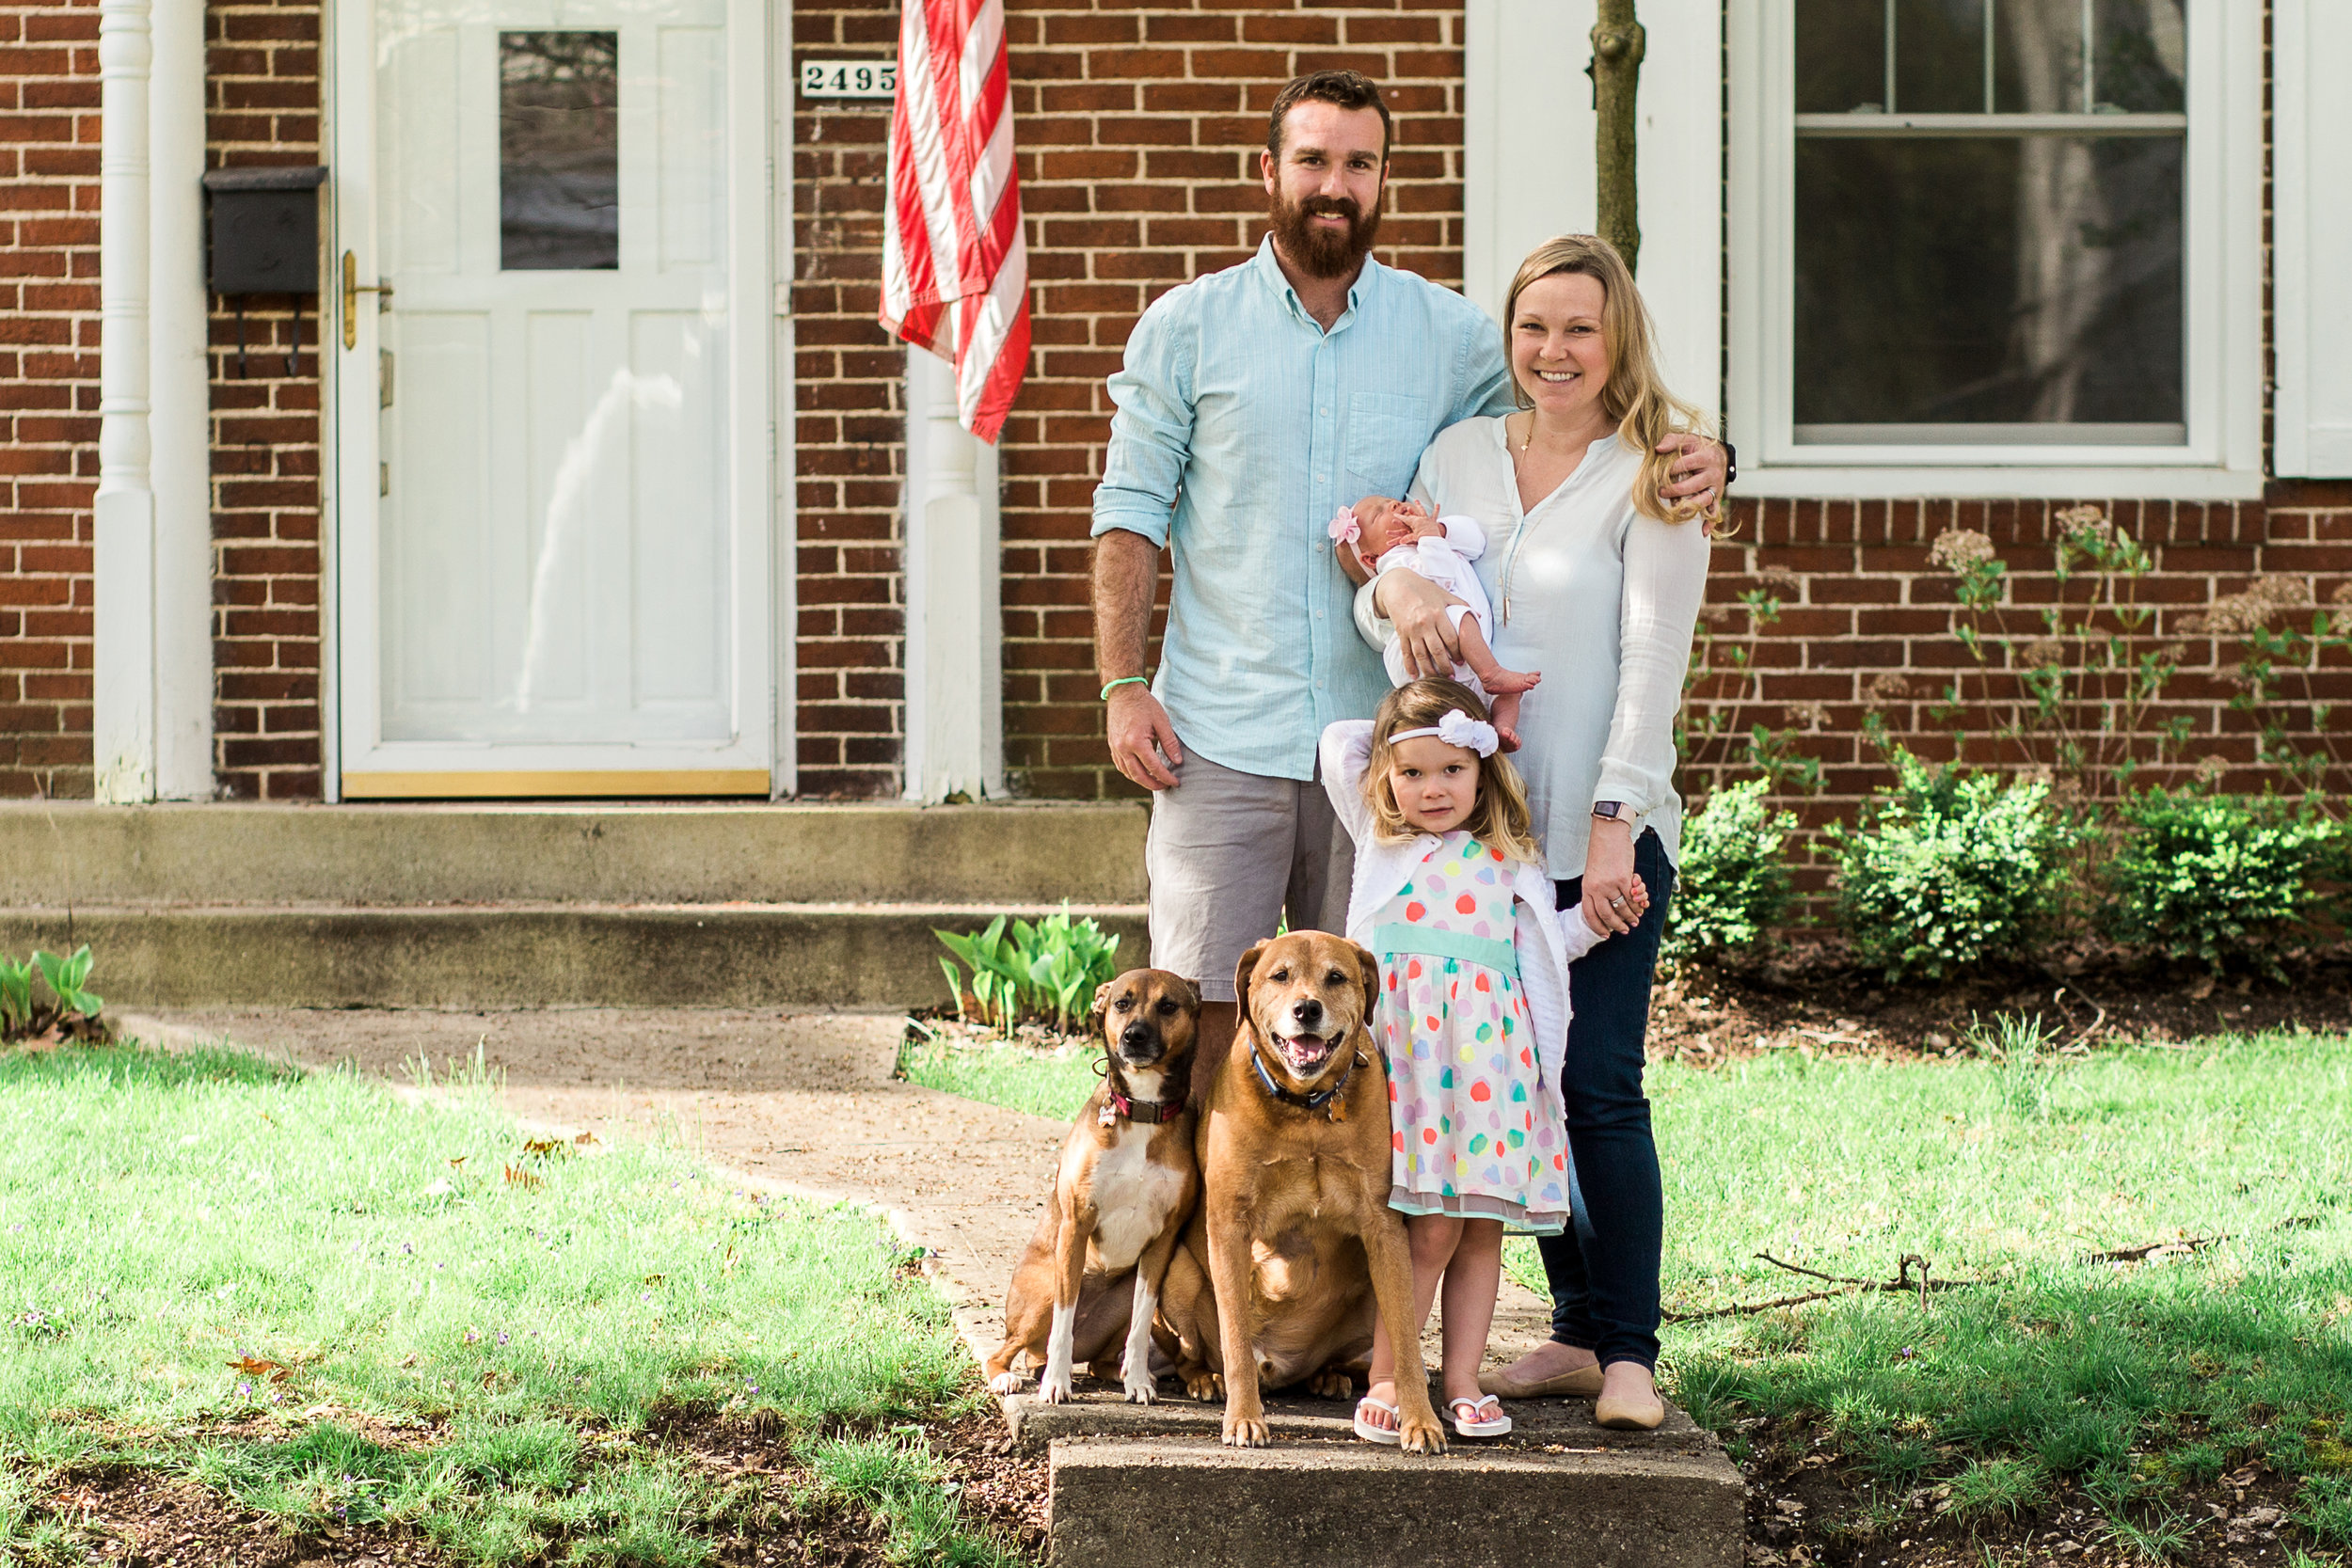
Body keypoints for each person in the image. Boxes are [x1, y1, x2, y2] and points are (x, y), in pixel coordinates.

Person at [1090, 72, 1728, 1102]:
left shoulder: (1454, 338)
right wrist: (1123, 682)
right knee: (1204, 1034)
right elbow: (1127, 512)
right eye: (1312, 160)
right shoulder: (1185, 328)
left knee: (1376, 1045)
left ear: (1384, 180)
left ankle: (1345, 1269)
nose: (1333, 184)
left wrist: (1700, 449)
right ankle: (1201, 1269)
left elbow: (1564, 425)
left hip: (1399, 764)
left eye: (1358, 163)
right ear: (1269, 173)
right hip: (1219, 736)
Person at [1356, 234, 1719, 1432]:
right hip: (1480, 848)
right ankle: (1564, 1332)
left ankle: (1627, 1348)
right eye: (1532, 328)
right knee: (1529, 1079)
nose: (1552, 351)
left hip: (1595, 830)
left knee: (1600, 1082)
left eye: (1578, 328)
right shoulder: (1459, 449)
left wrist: (1615, 824)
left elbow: (1649, 664)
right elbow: (1392, 583)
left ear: (1617, 337)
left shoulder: (1654, 472)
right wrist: (1390, 592)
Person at [1318, 678, 1643, 1443]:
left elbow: (1546, 952)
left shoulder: (1509, 860)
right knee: (1424, 1229)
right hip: (1411, 1069)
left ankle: (1460, 1377)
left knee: (1477, 1234)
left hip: (1490, 1076)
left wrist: (1596, 922)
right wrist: (1462, 727)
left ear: (1484, 773)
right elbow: (1341, 744)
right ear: (1387, 780)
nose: (1432, 788)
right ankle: (1391, 1374)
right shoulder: (1383, 843)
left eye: (1452, 770)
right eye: (1413, 773)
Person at [1327, 497, 1540, 747]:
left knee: (1507, 695)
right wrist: (1430, 540)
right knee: (1456, 612)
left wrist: (1439, 530)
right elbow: (1441, 579)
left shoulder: (1432, 538)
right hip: (1431, 651)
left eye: (1390, 501)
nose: (1393, 506)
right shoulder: (1399, 559)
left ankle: (1499, 729)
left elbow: (1477, 541)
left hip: (1463, 652)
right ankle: (1491, 673)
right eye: (1379, 514)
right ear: (1372, 559)